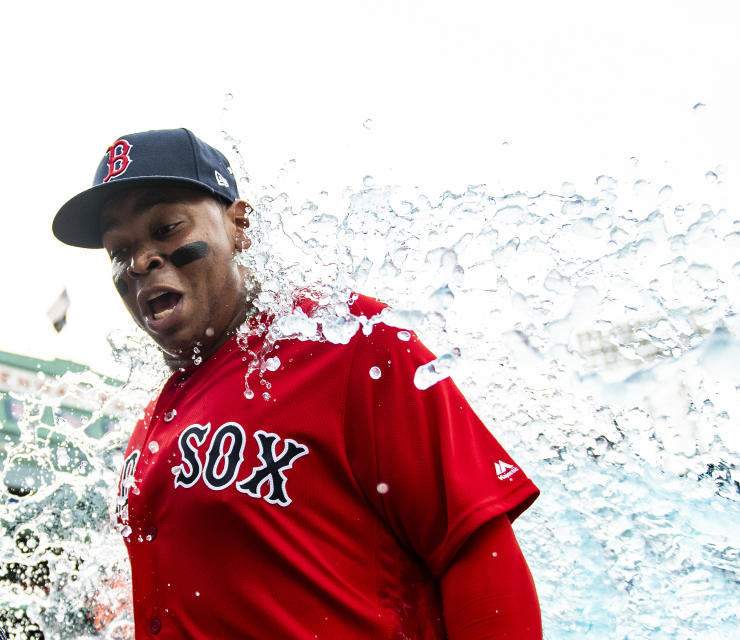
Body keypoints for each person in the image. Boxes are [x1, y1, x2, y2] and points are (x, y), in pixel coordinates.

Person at [52, 128, 542, 639]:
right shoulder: (155, 420)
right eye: (119, 249)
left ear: (240, 225)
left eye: (168, 227)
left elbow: (475, 553)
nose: (140, 261)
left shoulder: (350, 340)